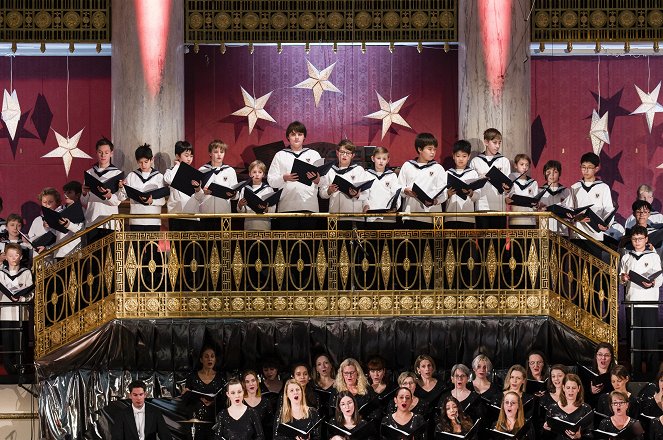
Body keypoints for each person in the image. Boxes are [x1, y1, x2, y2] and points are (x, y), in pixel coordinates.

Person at [620, 225, 662, 380]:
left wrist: (652, 283)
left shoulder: (653, 256)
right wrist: (623, 279)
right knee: (634, 342)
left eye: (640, 239)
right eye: (634, 238)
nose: (637, 241)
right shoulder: (626, 256)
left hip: (649, 303)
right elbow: (622, 278)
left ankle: (653, 376)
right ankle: (634, 374)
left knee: (650, 341)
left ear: (646, 239)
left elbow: (659, 278)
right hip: (632, 302)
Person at [267, 121, 322, 231]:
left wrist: (316, 179)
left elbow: (324, 181)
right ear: (288, 137)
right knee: (289, 245)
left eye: (300, 134)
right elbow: (271, 180)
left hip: (309, 205)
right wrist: (284, 178)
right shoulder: (280, 155)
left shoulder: (313, 154)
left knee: (308, 245)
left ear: (304, 137)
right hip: (286, 206)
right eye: (293, 134)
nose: (296, 138)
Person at [562, 152, 616, 258]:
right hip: (577, 234)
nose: (586, 170)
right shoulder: (575, 187)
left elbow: (608, 210)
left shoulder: (603, 187)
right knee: (577, 268)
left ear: (596, 168)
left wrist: (605, 224)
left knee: (594, 269)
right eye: (583, 167)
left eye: (589, 167)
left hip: (595, 235)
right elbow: (567, 209)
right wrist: (576, 217)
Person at [398, 132, 447, 229]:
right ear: (420, 149)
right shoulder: (408, 166)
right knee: (411, 244)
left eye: (435, 149)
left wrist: (435, 201)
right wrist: (405, 190)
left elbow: (444, 192)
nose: (433, 152)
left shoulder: (438, 168)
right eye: (429, 149)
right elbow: (399, 187)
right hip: (411, 214)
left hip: (432, 215)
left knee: (431, 244)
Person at [81, 137, 124, 243]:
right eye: (100, 152)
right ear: (96, 153)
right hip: (92, 220)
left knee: (110, 258)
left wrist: (109, 195)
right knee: (94, 258)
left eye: (106, 152)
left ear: (111, 153)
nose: (103, 155)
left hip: (110, 221)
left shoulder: (117, 173)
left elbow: (119, 200)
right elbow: (84, 201)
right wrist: (84, 193)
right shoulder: (90, 173)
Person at [319, 139, 369, 228]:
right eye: (342, 152)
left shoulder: (359, 170)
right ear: (337, 153)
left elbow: (366, 194)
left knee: (355, 241)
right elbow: (322, 193)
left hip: (355, 216)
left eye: (348, 153)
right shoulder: (330, 170)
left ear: (352, 155)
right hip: (335, 217)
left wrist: (357, 195)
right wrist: (329, 191)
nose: (344, 155)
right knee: (335, 242)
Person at [0, 243, 33, 374]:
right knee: (7, 343)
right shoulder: (1, 273)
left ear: (21, 256)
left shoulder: (26, 273)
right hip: (5, 313)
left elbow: (31, 293)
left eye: (16, 255)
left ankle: (21, 369)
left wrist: (21, 299)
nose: (14, 258)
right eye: (10, 255)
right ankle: (9, 370)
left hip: (21, 313)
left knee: (21, 342)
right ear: (6, 257)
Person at [470, 128, 512, 229]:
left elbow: (508, 185)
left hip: (499, 206)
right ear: (486, 142)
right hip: (481, 206)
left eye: (499, 143)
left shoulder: (504, 161)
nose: (497, 146)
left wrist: (507, 188)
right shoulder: (476, 161)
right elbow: (471, 184)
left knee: (498, 242)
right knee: (483, 241)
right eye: (494, 142)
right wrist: (482, 177)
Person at [182, 346, 226, 439]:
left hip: (214, 421)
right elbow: (185, 401)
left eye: (212, 356)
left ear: (215, 359)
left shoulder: (220, 378)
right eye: (206, 356)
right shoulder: (192, 377)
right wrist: (185, 394)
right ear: (201, 360)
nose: (210, 359)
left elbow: (224, 401)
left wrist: (214, 402)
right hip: (195, 421)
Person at [28, 187, 83, 259]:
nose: (47, 205)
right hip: (40, 257)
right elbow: (31, 238)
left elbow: (59, 236)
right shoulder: (37, 220)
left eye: (50, 202)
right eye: (44, 202)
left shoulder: (65, 215)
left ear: (57, 202)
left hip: (65, 255)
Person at [122, 144, 166, 232]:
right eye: (140, 162)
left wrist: (152, 201)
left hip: (153, 220)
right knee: (137, 245)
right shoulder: (132, 176)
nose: (143, 165)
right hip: (136, 220)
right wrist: (121, 187)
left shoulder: (159, 176)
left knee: (152, 246)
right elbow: (122, 196)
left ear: (152, 160)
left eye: (146, 162)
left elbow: (162, 200)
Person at [163, 140, 205, 232]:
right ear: (178, 156)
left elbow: (200, 198)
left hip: (191, 215)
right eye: (186, 156)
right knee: (176, 245)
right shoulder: (170, 171)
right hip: (175, 215)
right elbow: (169, 180)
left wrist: (198, 189)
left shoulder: (195, 174)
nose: (189, 159)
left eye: (191, 156)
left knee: (191, 245)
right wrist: (177, 166)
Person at [199, 139, 238, 231]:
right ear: (210, 153)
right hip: (206, 214)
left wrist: (233, 194)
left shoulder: (230, 171)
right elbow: (195, 193)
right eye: (216, 152)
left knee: (223, 243)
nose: (219, 154)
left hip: (224, 214)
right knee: (206, 244)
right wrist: (202, 192)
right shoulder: (202, 170)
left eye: (222, 152)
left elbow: (236, 195)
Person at [542, 373, 593, 440]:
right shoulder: (553, 408)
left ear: (578, 389)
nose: (570, 391)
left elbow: (591, 435)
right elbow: (546, 437)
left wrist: (579, 437)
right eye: (568, 388)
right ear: (563, 388)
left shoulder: (586, 409)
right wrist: (546, 430)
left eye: (574, 388)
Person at [363, 147, 401, 229]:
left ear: (388, 160)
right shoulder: (367, 174)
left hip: (388, 216)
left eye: (384, 159)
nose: (381, 161)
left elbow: (396, 194)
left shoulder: (392, 176)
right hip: (371, 216)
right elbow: (364, 194)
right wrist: (365, 205)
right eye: (378, 158)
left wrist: (395, 207)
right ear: (373, 158)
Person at [445, 139, 480, 229]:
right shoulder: (448, 173)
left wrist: (471, 193)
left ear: (469, 157)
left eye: (464, 156)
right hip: (450, 216)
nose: (461, 159)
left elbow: (477, 196)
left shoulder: (473, 173)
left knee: (466, 243)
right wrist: (447, 194)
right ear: (453, 156)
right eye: (458, 156)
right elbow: (441, 195)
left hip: (467, 217)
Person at [332, 358, 380, 423]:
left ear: (357, 373)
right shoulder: (336, 390)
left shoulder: (367, 389)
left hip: (364, 425)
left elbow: (377, 411)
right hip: (343, 425)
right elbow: (332, 414)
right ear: (342, 374)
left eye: (352, 372)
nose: (349, 376)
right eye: (346, 373)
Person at [237, 160, 277, 231]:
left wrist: (266, 209)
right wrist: (240, 205)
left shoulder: (268, 189)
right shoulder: (245, 189)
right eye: (254, 172)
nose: (257, 174)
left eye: (260, 172)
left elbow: (273, 210)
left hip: (264, 225)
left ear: (264, 174)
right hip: (249, 224)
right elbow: (241, 211)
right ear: (250, 174)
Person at [538, 160, 571, 235]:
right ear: (544, 173)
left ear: (559, 174)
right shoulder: (539, 191)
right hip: (544, 230)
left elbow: (570, 210)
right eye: (548, 172)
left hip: (562, 231)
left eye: (555, 172)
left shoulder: (566, 192)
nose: (552, 175)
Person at [506, 154, 539, 228]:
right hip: (515, 220)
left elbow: (535, 202)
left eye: (527, 165)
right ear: (515, 165)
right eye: (522, 164)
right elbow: (506, 198)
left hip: (530, 220)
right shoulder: (511, 181)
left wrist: (536, 204)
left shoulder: (533, 183)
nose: (524, 167)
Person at [581, 342, 616, 408]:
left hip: (610, 408)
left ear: (611, 358)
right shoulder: (587, 372)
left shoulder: (615, 374)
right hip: (591, 407)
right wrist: (591, 391)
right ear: (596, 356)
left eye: (607, 355)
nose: (603, 358)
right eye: (600, 355)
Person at [243, 370, 275, 440]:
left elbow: (270, 425)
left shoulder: (266, 402)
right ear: (244, 385)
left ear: (257, 382)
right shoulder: (240, 402)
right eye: (247, 382)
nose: (251, 384)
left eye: (253, 380)